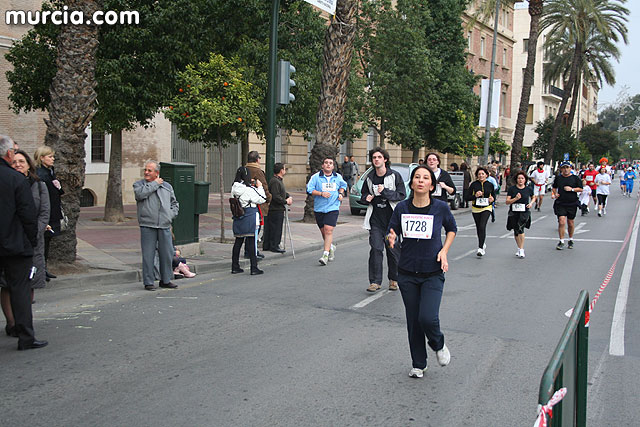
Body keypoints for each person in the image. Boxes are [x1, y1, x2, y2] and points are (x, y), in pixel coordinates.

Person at [386, 165, 456, 378]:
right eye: (417, 177)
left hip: (432, 272)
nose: (420, 180)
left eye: (425, 178)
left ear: (431, 185)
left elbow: (452, 229)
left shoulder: (440, 207)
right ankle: (419, 363)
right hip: (407, 272)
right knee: (413, 320)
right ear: (412, 183)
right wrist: (391, 237)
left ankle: (438, 343)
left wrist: (444, 251)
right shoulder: (402, 208)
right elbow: (393, 228)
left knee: (428, 318)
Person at [0, 135, 48, 350]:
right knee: (20, 289)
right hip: (15, 245)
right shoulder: (16, 179)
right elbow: (28, 215)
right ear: (9, 154)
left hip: (14, 243)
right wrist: (30, 240)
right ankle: (25, 336)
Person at [359, 147, 406, 293]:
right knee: (376, 249)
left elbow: (401, 195)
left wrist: (384, 192)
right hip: (375, 220)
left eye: (379, 157)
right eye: (374, 158)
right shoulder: (369, 177)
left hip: (392, 221)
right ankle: (374, 282)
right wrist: (365, 199)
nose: (376, 160)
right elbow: (363, 195)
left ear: (385, 159)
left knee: (392, 250)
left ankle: (394, 279)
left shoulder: (395, 176)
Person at [133, 161, 180, 291]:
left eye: (150, 170)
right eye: (145, 170)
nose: (146, 172)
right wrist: (155, 184)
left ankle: (166, 280)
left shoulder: (167, 186)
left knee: (167, 254)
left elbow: (174, 203)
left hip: (164, 225)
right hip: (147, 225)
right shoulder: (139, 185)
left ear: (157, 173)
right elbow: (140, 195)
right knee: (148, 255)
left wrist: (170, 215)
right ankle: (148, 281)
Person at [306, 157, 348, 265]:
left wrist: (341, 193)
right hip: (319, 208)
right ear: (322, 166)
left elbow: (343, 185)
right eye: (326, 163)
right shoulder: (316, 177)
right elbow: (309, 189)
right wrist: (321, 193)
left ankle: (325, 254)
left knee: (328, 230)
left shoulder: (337, 177)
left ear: (333, 166)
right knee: (324, 232)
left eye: (330, 163)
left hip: (333, 207)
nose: (328, 165)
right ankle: (331, 247)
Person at [34, 145, 63, 281]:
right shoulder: (41, 174)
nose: (53, 159)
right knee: (43, 242)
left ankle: (44, 268)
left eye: (53, 156)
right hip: (47, 213)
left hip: (53, 211)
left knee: (47, 242)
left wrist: (58, 186)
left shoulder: (50, 171)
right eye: (50, 156)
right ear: (42, 158)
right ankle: (41, 270)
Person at [231, 166, 267, 275]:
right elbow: (262, 198)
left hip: (238, 216)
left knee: (238, 241)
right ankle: (254, 267)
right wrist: (259, 187)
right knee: (251, 242)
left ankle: (235, 266)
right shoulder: (248, 189)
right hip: (249, 215)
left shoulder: (234, 188)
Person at [245, 151, 271, 259]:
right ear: (257, 160)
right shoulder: (258, 171)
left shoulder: (244, 169)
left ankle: (249, 250)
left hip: (246, 202)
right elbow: (264, 187)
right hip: (257, 203)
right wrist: (269, 198)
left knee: (249, 228)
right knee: (256, 228)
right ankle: (252, 250)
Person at [551, 161, 583, 250]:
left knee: (570, 223)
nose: (565, 169)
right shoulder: (558, 178)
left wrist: (572, 189)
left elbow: (581, 189)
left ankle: (570, 239)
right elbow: (554, 187)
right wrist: (555, 193)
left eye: (567, 168)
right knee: (561, 221)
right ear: (561, 169)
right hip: (561, 203)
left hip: (572, 203)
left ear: (570, 168)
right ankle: (561, 241)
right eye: (564, 168)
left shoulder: (575, 178)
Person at [465, 167, 495, 256]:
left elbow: (493, 196)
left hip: (487, 208)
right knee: (478, 228)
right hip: (476, 208)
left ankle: (480, 248)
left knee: (482, 226)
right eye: (479, 174)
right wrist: (475, 196)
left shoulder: (489, 185)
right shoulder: (474, 185)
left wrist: (492, 199)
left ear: (486, 175)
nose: (481, 176)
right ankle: (482, 242)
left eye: (483, 174)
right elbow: (467, 197)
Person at [506, 171, 537, 258]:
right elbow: (507, 201)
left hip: (524, 211)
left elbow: (534, 197)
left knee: (521, 228)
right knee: (516, 231)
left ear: (525, 180)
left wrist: (531, 203)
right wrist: (515, 199)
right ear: (516, 179)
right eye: (519, 178)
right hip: (514, 211)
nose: (520, 180)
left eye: (522, 178)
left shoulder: (528, 189)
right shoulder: (512, 189)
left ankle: (522, 249)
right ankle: (519, 248)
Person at [265, 163, 292, 253]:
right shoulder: (275, 181)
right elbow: (276, 196)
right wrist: (285, 201)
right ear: (281, 170)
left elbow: (282, 192)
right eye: (284, 169)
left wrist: (288, 196)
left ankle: (271, 244)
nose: (285, 170)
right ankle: (274, 245)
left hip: (278, 208)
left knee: (275, 227)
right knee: (275, 228)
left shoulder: (278, 181)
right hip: (275, 209)